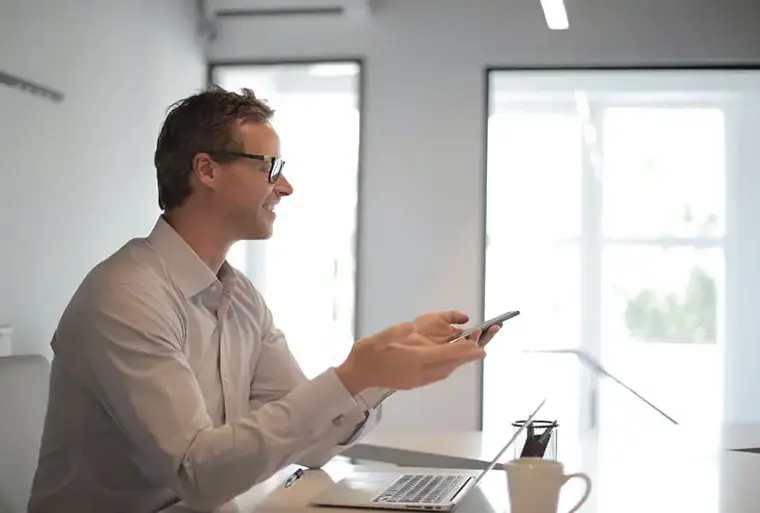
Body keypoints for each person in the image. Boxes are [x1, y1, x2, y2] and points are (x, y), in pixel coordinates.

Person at [27, 86, 499, 513]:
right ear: (207, 170)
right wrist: (355, 374)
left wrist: (382, 372)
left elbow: (311, 446)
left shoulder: (240, 298)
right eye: (269, 167)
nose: (286, 187)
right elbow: (199, 475)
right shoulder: (127, 297)